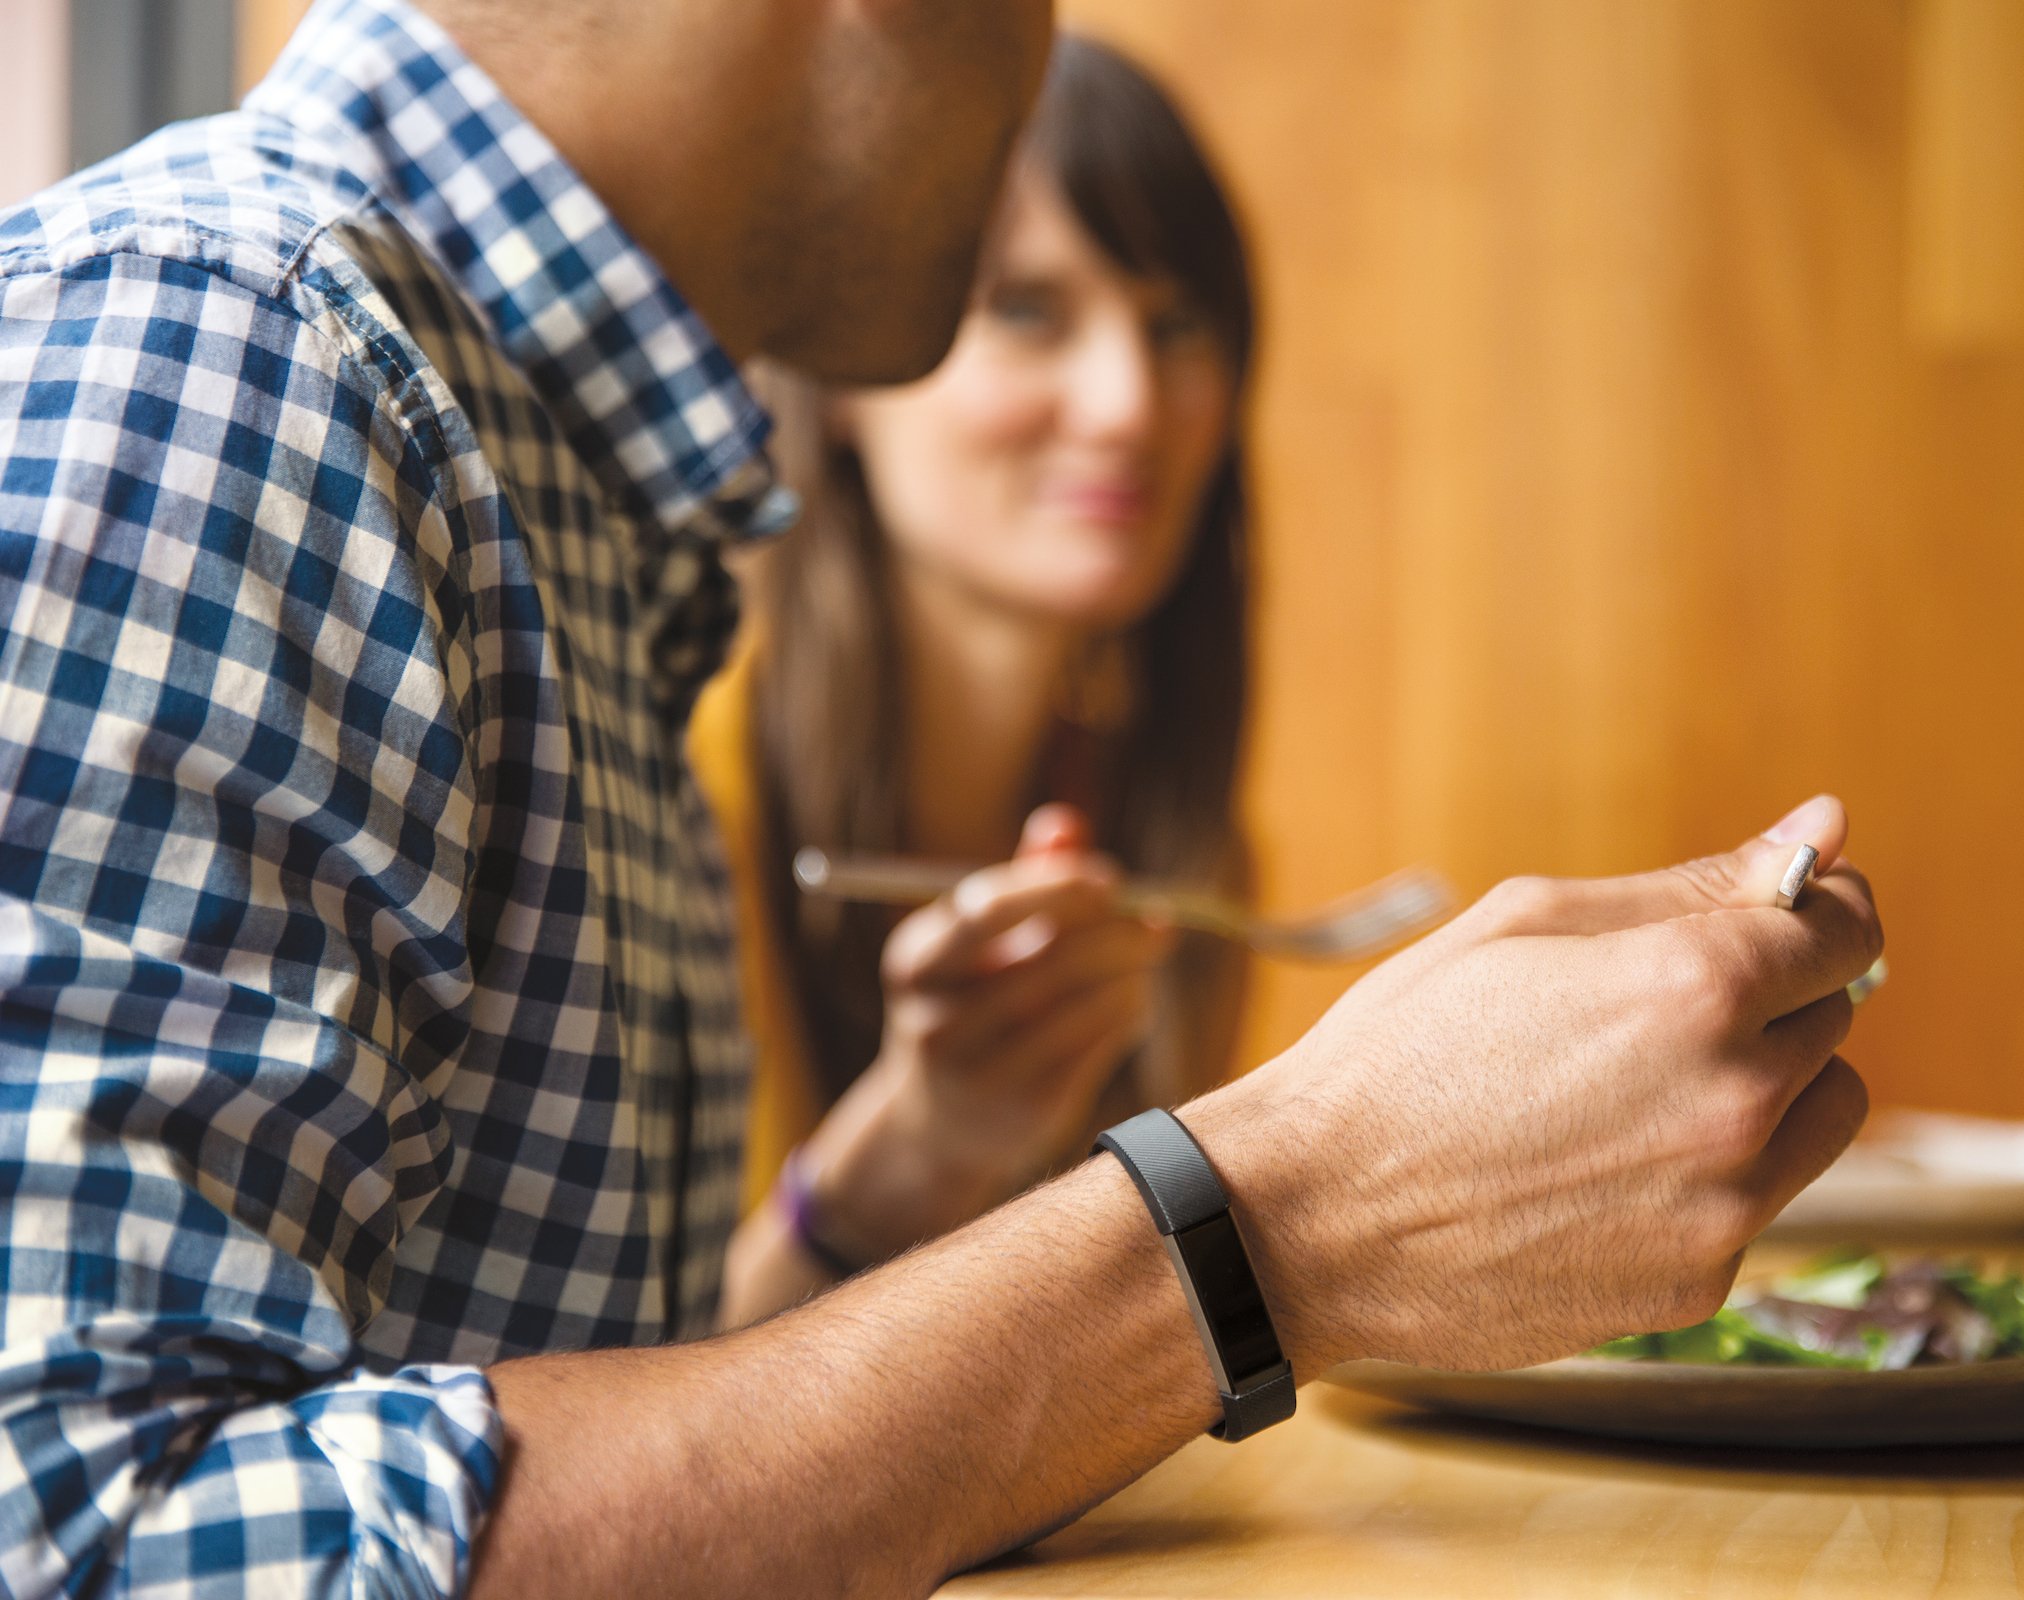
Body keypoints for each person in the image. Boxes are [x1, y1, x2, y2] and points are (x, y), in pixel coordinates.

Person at [0, 0, 1879, 1595]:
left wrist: (924, 1167)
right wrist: (1274, 1224)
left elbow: (572, 1415)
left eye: (1176, 326)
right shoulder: (221, 348)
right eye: (1038, 313)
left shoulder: (539, 493)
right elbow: (90, 1539)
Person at [695, 35, 1254, 1327]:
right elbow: (596, 1429)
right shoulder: (686, 796)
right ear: (843, 372)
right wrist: (894, 1163)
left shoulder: (1179, 860)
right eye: (1024, 309)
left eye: (1176, 325)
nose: (1125, 404)